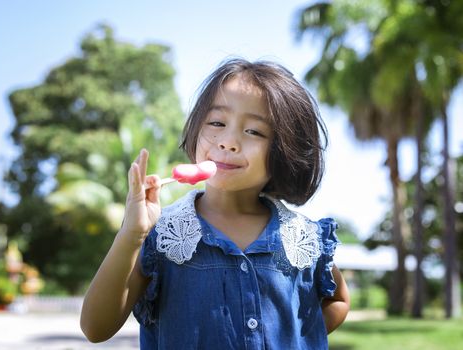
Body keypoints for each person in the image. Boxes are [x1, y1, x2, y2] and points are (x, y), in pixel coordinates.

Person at [80, 58, 350, 349]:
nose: (228, 141)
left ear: (284, 151)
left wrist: (298, 337)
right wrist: (132, 235)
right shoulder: (162, 235)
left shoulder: (302, 238)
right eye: (217, 123)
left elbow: (338, 299)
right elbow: (96, 328)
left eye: (254, 131)